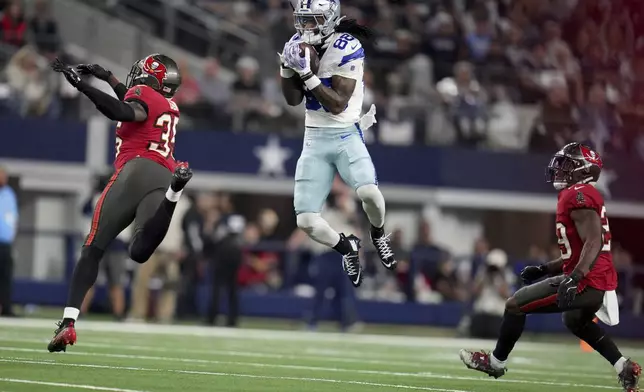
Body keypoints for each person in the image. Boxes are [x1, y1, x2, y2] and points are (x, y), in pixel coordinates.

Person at [459, 143, 640, 392]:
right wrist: (545, 269)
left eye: (567, 165)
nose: (560, 170)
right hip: (595, 278)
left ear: (582, 171)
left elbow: (594, 241)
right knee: (575, 320)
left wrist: (575, 276)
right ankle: (624, 366)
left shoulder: (578, 193)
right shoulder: (579, 194)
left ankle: (495, 362)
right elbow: (578, 250)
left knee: (515, 304)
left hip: (588, 279)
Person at [47, 54, 193, 352]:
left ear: (150, 78)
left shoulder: (143, 94)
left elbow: (124, 110)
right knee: (139, 252)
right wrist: (107, 76)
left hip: (135, 169)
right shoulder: (169, 104)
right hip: (164, 174)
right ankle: (176, 192)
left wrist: (83, 86)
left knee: (92, 247)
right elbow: (134, 104)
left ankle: (68, 322)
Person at [279, 0, 395, 288]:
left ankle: (378, 233)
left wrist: (306, 74)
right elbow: (293, 100)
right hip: (314, 138)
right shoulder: (296, 43)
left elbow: (338, 106)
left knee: (369, 192)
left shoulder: (347, 46)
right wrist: (286, 68)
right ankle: (347, 247)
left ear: (329, 19)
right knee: (305, 221)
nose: (306, 27)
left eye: (313, 20)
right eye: (303, 20)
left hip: (345, 133)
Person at [0, 166, 17, 317]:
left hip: (5, 244)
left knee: (6, 277)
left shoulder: (9, 194)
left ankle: (6, 308)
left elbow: (12, 217)